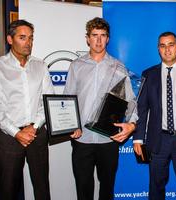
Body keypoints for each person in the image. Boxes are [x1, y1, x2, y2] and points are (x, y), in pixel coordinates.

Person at [63, 17, 137, 200]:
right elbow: (67, 99)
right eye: (94, 35)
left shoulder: (118, 67)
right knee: (83, 188)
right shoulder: (76, 66)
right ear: (87, 38)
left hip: (108, 140)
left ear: (108, 39)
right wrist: (69, 125)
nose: (98, 40)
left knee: (107, 188)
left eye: (102, 35)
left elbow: (131, 101)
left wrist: (132, 124)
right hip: (82, 140)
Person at [0, 20, 57, 200]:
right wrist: (17, 132)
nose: (28, 43)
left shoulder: (40, 66)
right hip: (9, 137)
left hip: (37, 134)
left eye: (31, 38)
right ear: (10, 39)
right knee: (8, 189)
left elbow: (47, 100)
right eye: (22, 37)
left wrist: (34, 126)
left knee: (42, 187)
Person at [133, 32, 176, 200]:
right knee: (156, 187)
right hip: (158, 142)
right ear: (158, 49)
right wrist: (138, 138)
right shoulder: (148, 74)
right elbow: (142, 109)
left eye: (171, 44)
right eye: (163, 46)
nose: (167, 49)